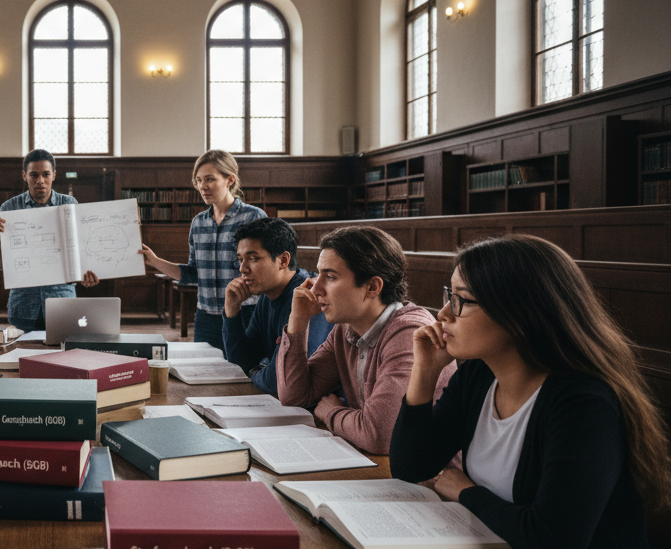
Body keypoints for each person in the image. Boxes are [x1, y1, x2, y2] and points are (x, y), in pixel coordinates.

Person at [390, 236, 668, 549]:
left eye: (462, 301)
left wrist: (464, 490)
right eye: (450, 295)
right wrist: (425, 374)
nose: (444, 313)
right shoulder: (478, 374)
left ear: (518, 313)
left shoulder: (582, 404)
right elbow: (408, 467)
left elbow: (553, 542)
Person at [275, 225, 449, 455]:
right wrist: (297, 321)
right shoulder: (346, 328)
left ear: (372, 287)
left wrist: (331, 412)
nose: (315, 288)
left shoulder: (410, 334)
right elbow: (294, 396)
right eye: (318, 275)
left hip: (431, 479)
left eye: (330, 276)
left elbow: (379, 436)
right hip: (381, 467)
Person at [137, 150, 266, 350]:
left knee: (245, 374)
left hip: (246, 314)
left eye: (209, 179)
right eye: (198, 180)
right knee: (205, 375)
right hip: (205, 318)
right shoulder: (198, 223)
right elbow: (192, 274)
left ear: (229, 179)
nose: (202, 186)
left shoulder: (253, 217)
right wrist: (154, 261)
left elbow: (267, 270)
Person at [0, 149, 99, 332]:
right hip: (23, 303)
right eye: (34, 175)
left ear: (54, 175)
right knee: (22, 357)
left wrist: (87, 274)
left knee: (63, 357)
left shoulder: (69, 204)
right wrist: (0, 241)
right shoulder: (9, 207)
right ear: (25, 175)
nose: (40, 180)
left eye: (45, 174)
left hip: (62, 299)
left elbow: (81, 252)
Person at [221, 217, 330, 396]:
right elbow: (241, 362)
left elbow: (278, 380)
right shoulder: (267, 297)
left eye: (253, 258)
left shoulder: (306, 298)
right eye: (241, 259)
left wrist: (254, 372)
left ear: (283, 260)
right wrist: (232, 311)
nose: (243, 268)